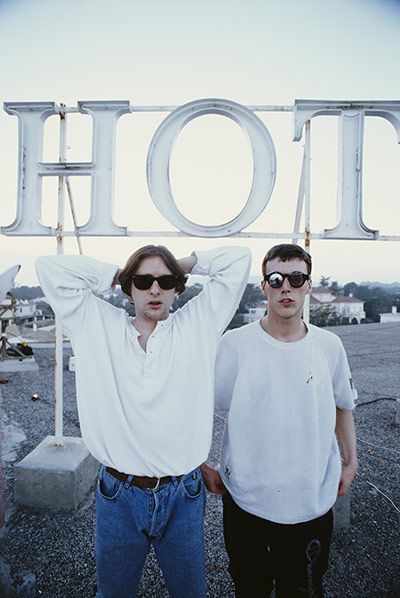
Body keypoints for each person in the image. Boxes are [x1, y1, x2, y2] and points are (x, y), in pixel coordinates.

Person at [36, 244, 251, 598]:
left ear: (177, 287)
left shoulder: (198, 323)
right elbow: (49, 267)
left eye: (165, 281)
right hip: (118, 493)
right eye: (143, 280)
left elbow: (237, 260)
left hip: (183, 492)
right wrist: (117, 273)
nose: (155, 289)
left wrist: (179, 265)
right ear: (128, 285)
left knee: (191, 593)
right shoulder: (96, 325)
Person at [202, 243, 358, 598]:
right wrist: (200, 463)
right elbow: (200, 407)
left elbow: (342, 406)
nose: (285, 287)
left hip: (310, 503)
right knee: (250, 588)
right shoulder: (235, 344)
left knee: (301, 589)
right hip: (245, 502)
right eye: (275, 279)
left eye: (295, 278)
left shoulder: (329, 345)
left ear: (307, 284)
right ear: (264, 286)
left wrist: (351, 463)